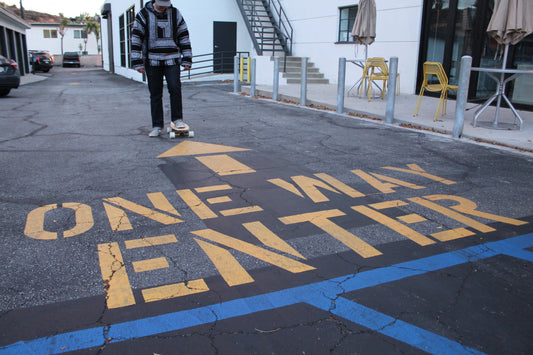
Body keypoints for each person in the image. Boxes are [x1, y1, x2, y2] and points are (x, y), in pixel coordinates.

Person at [131, 0, 192, 137]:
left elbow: (184, 36)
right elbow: (136, 39)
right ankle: (157, 126)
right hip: (152, 61)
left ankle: (177, 119)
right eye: (161, 3)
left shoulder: (175, 13)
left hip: (172, 59)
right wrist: (137, 62)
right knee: (155, 93)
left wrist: (187, 58)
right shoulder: (143, 15)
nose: (164, 6)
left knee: (175, 88)